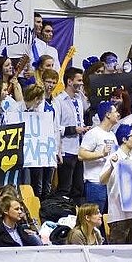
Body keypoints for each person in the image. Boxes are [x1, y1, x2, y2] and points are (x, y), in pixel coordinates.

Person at [100, 124, 132, 244]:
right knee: (117, 252)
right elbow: (102, 180)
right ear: (124, 139)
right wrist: (112, 167)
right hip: (119, 215)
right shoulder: (114, 157)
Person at [54, 67, 89, 202]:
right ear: (69, 81)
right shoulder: (58, 101)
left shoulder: (79, 100)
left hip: (79, 150)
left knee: (78, 188)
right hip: (66, 150)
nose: (81, 83)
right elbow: (56, 127)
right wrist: (73, 129)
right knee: (65, 187)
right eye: (79, 80)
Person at [78, 101, 119, 213]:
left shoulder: (112, 135)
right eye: (115, 112)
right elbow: (81, 154)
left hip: (109, 183)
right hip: (95, 183)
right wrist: (101, 154)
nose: (118, 114)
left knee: (105, 219)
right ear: (108, 114)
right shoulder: (93, 133)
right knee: (94, 217)